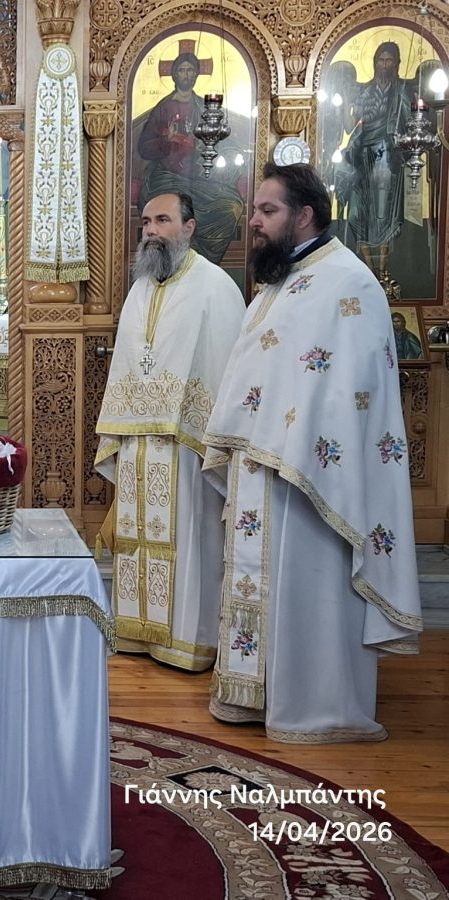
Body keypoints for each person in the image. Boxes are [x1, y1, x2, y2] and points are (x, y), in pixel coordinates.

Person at [202, 163, 422, 742]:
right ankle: (255, 694)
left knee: (310, 586)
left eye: (267, 211)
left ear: (304, 216)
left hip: (314, 478)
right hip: (265, 467)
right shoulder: (283, 279)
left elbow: (349, 394)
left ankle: (314, 704)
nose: (254, 221)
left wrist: (295, 448)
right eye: (255, 210)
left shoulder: (347, 283)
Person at [95, 192, 245, 671]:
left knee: (190, 538)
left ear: (189, 227)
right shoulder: (140, 289)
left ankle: (188, 641)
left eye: (163, 220)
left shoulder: (216, 287)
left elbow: (223, 369)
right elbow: (130, 362)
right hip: (138, 443)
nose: (152, 231)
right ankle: (136, 633)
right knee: (138, 538)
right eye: (146, 222)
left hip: (187, 446)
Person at [136, 52, 246, 265]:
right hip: (166, 177)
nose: (186, 75)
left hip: (201, 178)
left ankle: (204, 265)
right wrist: (166, 141)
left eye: (190, 70)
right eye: (181, 70)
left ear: (196, 74)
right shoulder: (164, 107)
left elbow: (225, 142)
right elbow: (144, 149)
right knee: (171, 209)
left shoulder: (204, 107)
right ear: (174, 74)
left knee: (231, 206)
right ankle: (174, 262)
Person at [340, 42, 413, 277]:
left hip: (388, 159)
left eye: (389, 60)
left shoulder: (401, 91)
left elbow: (410, 124)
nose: (384, 65)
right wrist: (345, 100)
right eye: (381, 60)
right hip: (363, 157)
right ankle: (370, 271)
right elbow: (350, 127)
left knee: (384, 214)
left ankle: (383, 272)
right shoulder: (364, 91)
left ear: (397, 63)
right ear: (374, 63)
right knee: (359, 213)